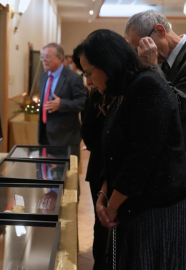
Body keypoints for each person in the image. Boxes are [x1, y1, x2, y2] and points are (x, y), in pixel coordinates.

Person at [77, 29, 186, 269]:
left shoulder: (147, 86)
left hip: (157, 209)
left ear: (107, 64)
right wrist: (103, 196)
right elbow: (114, 155)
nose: (89, 81)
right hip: (135, 205)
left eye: (90, 73)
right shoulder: (122, 92)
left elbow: (140, 160)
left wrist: (111, 206)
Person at [125, 10, 186, 270]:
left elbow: (176, 107)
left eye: (140, 44)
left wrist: (152, 66)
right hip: (176, 172)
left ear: (159, 31)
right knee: (178, 249)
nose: (139, 52)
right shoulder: (167, 62)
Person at [73, 43, 110, 269]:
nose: (88, 80)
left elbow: (87, 134)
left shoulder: (95, 96)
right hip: (103, 168)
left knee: (102, 222)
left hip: (103, 167)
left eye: (88, 73)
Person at [37, 43, 87, 160]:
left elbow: (83, 101)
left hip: (65, 138)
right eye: (42, 57)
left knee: (67, 176)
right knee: (45, 175)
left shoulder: (73, 78)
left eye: (48, 57)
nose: (44, 60)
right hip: (44, 136)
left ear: (60, 58)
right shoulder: (43, 76)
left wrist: (62, 104)